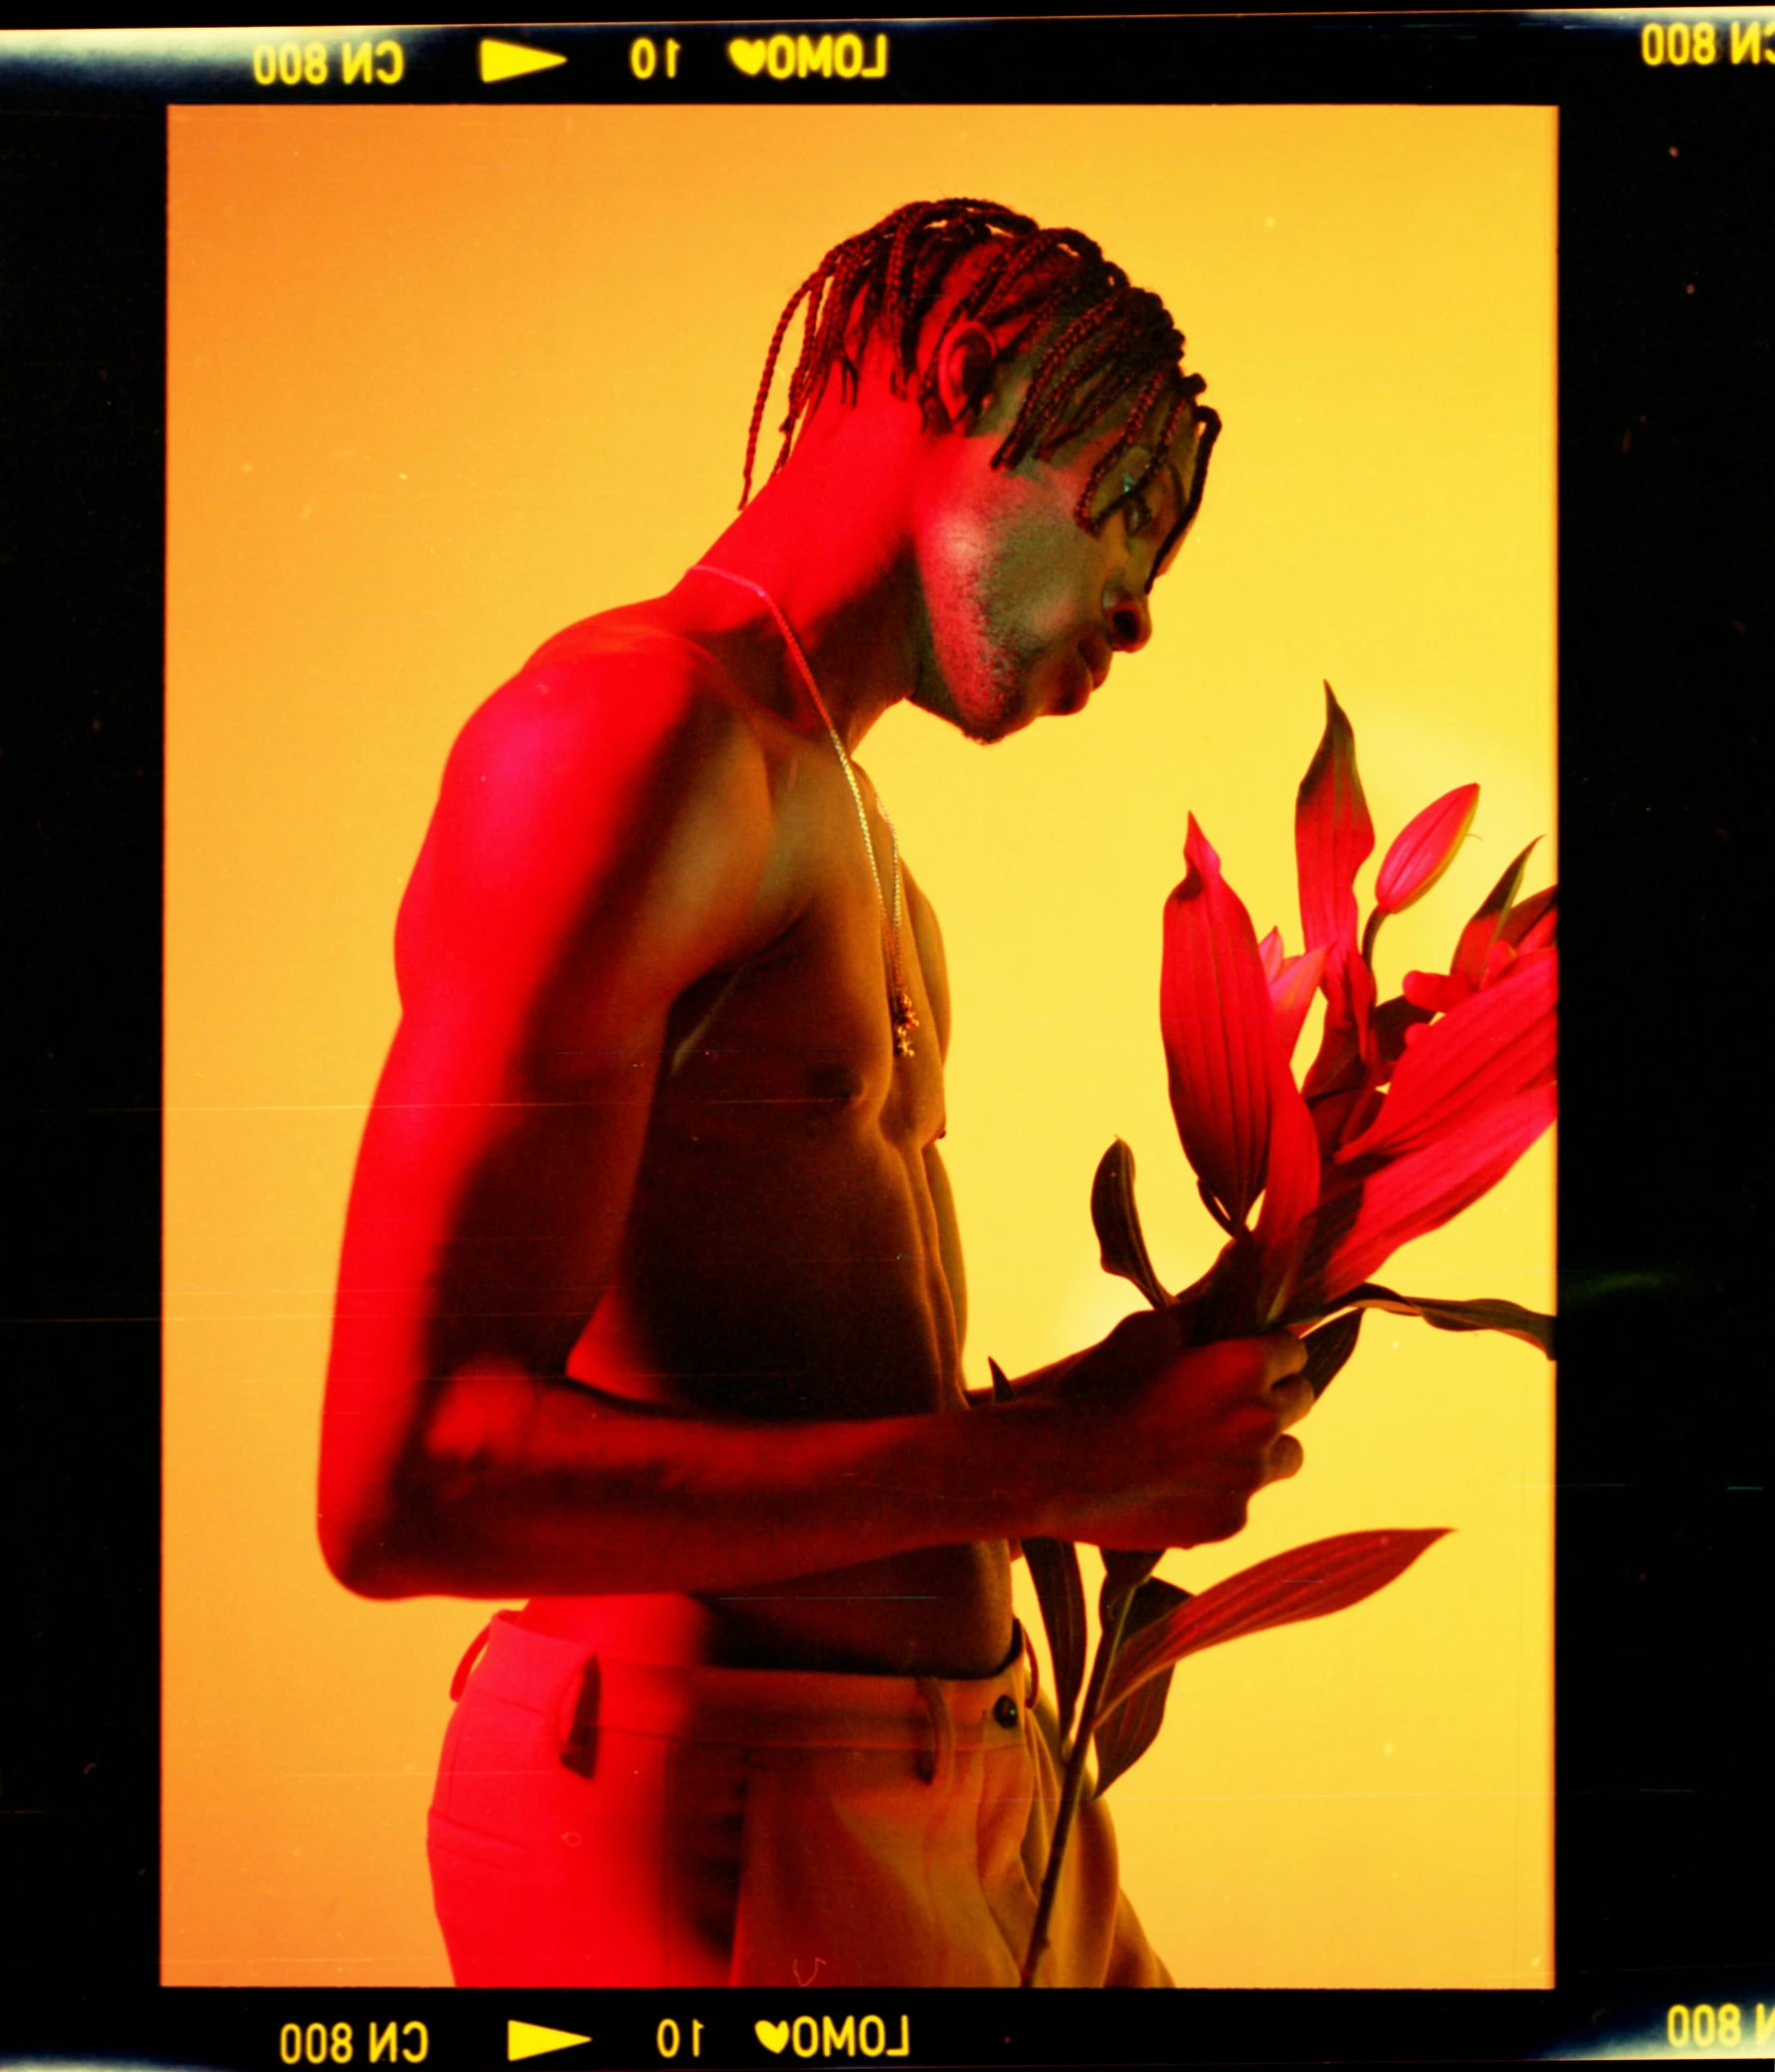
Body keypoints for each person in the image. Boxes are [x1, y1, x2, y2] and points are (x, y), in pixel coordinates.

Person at [319, 198, 1314, 1989]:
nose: (1147, 609)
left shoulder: (834, 799)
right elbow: (409, 1485)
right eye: (1131, 510)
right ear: (970, 375)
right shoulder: (625, 736)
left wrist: (1116, 1406)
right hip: (722, 1825)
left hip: (978, 1801)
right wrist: (1052, 1462)